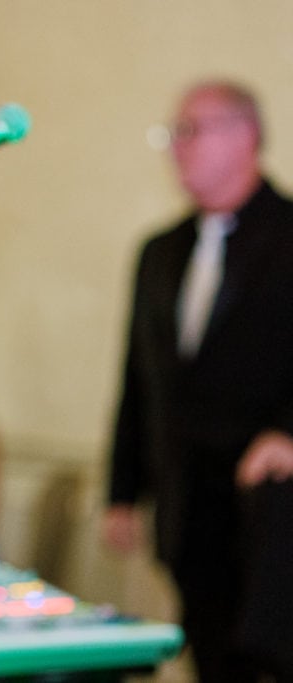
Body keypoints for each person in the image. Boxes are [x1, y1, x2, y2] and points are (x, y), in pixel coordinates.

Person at [103, 80, 293, 682]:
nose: (176, 148)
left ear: (247, 137)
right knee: (210, 657)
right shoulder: (160, 251)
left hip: (268, 510)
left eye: (191, 131)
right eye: (172, 134)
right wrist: (122, 491)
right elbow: (139, 378)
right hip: (186, 502)